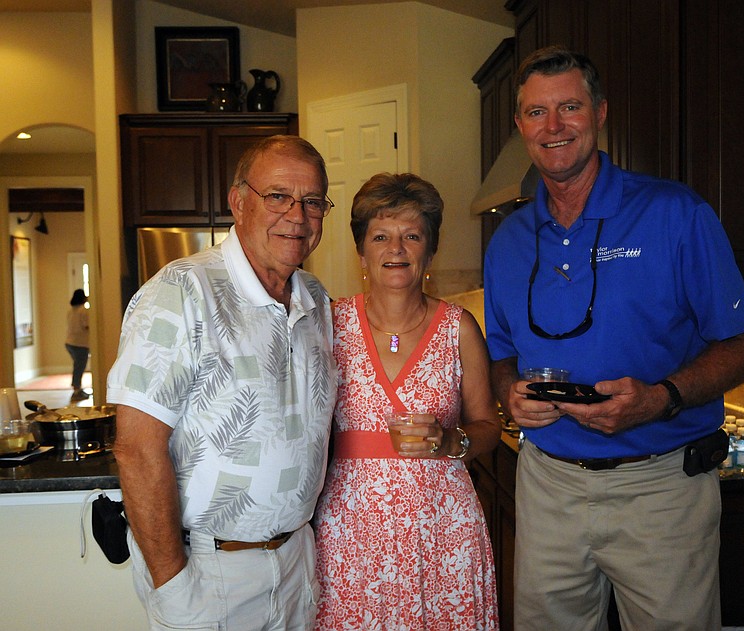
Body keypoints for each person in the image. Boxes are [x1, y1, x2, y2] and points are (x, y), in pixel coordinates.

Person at [484, 47, 744, 631]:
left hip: (660, 490)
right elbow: (503, 352)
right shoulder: (507, 241)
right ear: (520, 126)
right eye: (537, 112)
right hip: (548, 485)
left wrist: (659, 398)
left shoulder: (675, 214)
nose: (554, 126)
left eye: (570, 107)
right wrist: (508, 390)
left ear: (600, 112)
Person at [109, 135, 337, 631]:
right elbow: (136, 449)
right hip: (210, 572)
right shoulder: (180, 293)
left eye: (313, 201)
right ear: (238, 202)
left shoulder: (317, 300)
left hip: (298, 563)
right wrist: (172, 584)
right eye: (278, 195)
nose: (297, 216)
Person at [312, 172, 501, 629]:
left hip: (443, 530)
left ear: (429, 250)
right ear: (362, 250)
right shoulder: (329, 325)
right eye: (381, 236)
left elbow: (488, 426)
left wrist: (450, 443)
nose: (396, 249)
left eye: (412, 236)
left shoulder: (459, 328)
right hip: (350, 531)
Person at [65, 288, 89, 401]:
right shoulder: (83, 311)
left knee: (77, 366)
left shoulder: (71, 310)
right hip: (80, 343)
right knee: (79, 367)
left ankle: (77, 388)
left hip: (69, 342)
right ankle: (76, 390)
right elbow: (87, 325)